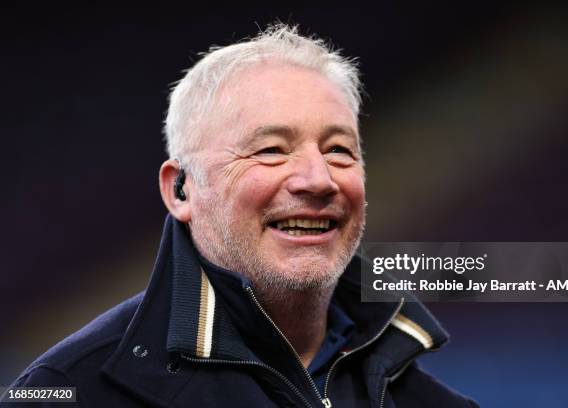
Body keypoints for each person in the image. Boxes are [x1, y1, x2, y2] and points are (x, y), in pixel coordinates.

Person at [5, 24, 477, 407]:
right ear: (181, 189)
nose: (318, 179)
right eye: (271, 150)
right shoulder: (70, 392)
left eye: (339, 151)